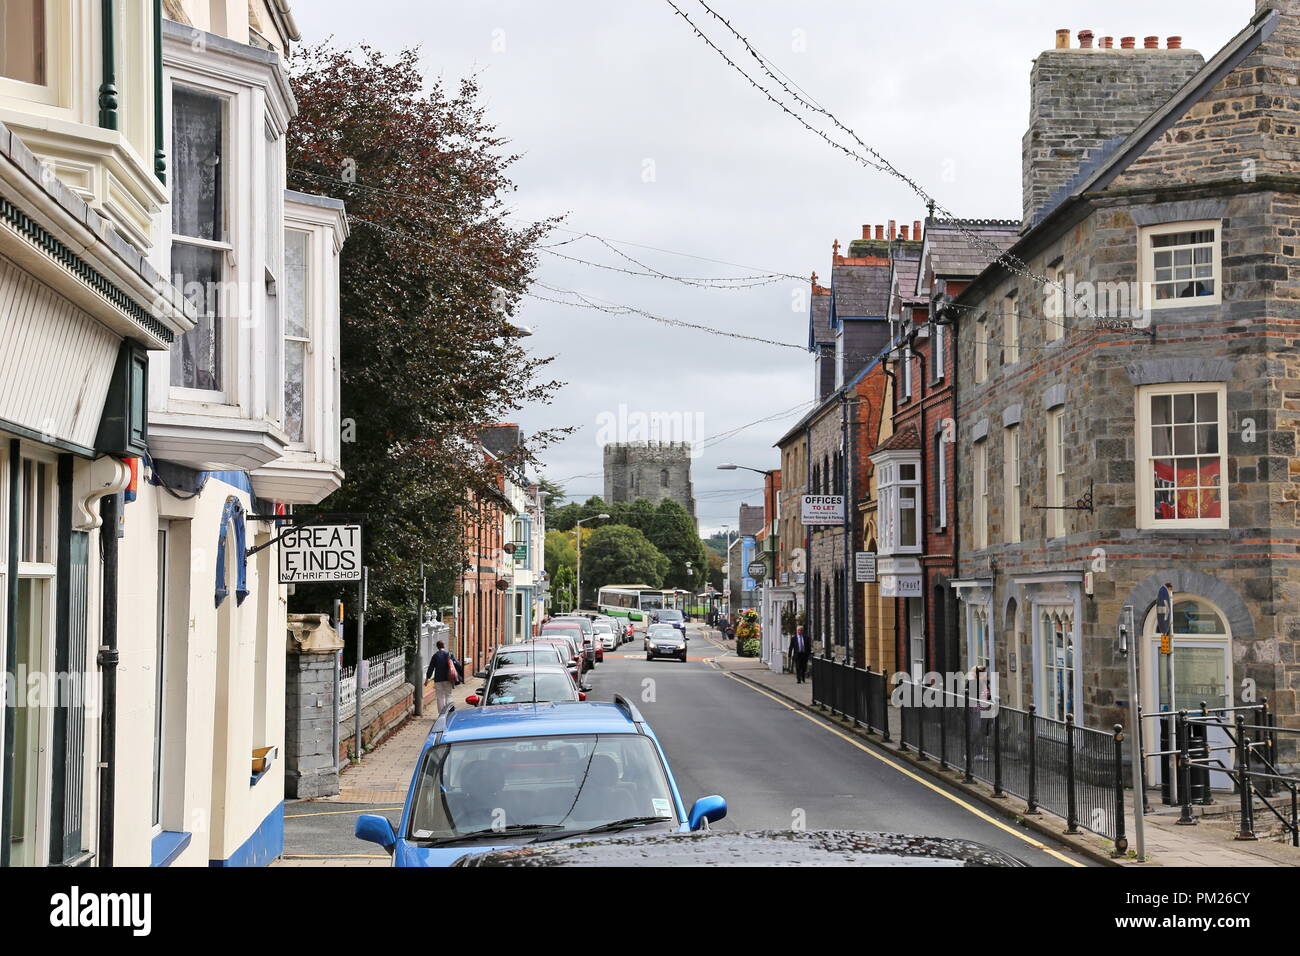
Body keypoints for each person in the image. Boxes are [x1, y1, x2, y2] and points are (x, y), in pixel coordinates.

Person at [425, 639, 461, 712]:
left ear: (437, 647)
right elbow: (458, 664)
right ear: (444, 645)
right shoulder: (449, 654)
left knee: (440, 697)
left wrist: (427, 678)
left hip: (438, 679)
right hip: (448, 678)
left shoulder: (435, 656)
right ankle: (450, 711)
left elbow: (431, 668)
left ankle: (441, 713)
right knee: (449, 694)